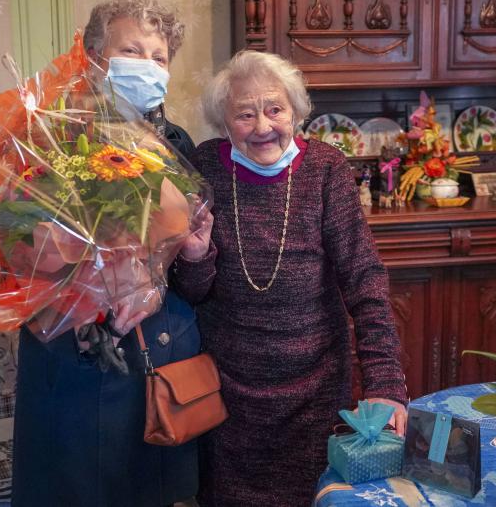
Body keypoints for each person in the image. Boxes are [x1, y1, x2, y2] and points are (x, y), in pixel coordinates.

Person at [172, 50, 408, 506]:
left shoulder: (325, 169)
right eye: (245, 113)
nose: (262, 126)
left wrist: (384, 384)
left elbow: (364, 279)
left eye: (275, 109)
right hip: (228, 390)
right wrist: (196, 257)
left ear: (295, 112)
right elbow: (191, 293)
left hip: (315, 388)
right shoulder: (205, 167)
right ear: (224, 120)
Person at [11, 0, 204, 507]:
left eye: (159, 57)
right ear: (95, 56)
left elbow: (183, 242)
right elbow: (19, 238)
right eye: (132, 50)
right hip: (72, 343)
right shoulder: (48, 134)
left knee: (152, 487)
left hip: (156, 344)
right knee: (76, 485)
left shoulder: (176, 140)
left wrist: (156, 281)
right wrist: (85, 297)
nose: (147, 66)